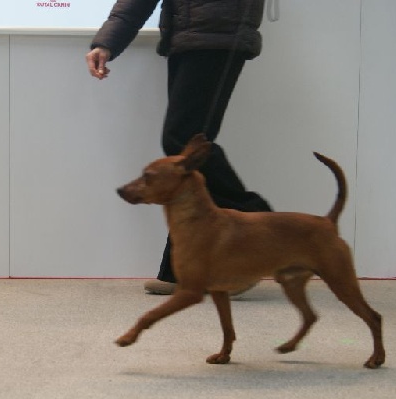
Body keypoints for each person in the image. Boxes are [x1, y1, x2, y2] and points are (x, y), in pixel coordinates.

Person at [86, 0, 272, 295]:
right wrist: (107, 42)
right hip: (186, 37)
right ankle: (181, 270)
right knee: (186, 150)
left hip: (219, 32)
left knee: (184, 141)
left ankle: (259, 229)